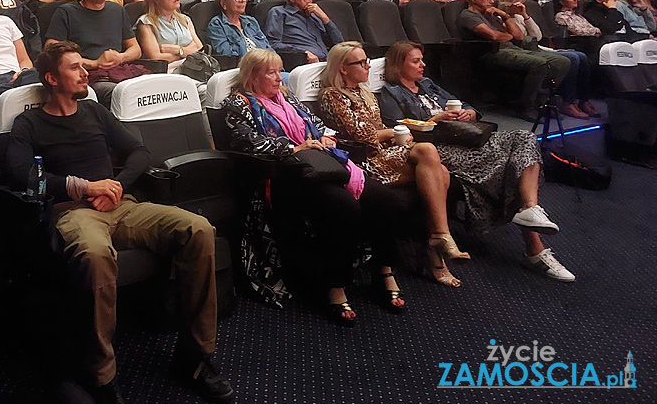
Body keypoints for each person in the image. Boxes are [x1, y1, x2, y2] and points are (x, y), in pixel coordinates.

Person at [3, 42, 232, 404]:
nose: (85, 73)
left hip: (122, 204)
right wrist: (84, 186)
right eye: (75, 68)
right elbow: (18, 175)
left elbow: (140, 151)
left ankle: (194, 357)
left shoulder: (94, 110)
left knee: (199, 229)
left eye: (83, 66)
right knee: (94, 255)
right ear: (51, 78)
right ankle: (101, 374)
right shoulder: (29, 122)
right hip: (73, 210)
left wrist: (118, 185)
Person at [222, 49, 408, 322]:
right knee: (345, 208)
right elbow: (247, 143)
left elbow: (317, 125)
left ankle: (384, 271)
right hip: (285, 174)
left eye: (280, 71)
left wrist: (327, 138)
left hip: (321, 163)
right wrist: (294, 148)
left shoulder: (287, 98)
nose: (279, 78)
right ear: (253, 76)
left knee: (384, 199)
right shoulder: (238, 104)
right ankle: (335, 286)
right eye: (271, 73)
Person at [378, 42, 575, 281]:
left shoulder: (428, 85)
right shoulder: (391, 93)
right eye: (416, 61)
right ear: (398, 66)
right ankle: (536, 248)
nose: (423, 65)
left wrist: (467, 114)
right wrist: (437, 117)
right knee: (510, 167)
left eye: (422, 59)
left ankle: (530, 208)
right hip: (437, 149)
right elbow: (396, 128)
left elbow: (469, 108)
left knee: (524, 138)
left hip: (467, 139)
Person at [317, 42, 467, 287]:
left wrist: (391, 135)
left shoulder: (365, 93)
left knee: (439, 170)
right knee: (429, 154)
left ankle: (437, 242)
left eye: (367, 60)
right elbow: (360, 136)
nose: (368, 66)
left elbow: (376, 132)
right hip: (362, 163)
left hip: (384, 154)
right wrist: (392, 133)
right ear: (343, 68)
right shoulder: (332, 95)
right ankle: (436, 245)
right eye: (361, 62)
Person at [457, 0, 571, 121]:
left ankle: (541, 103)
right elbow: (493, 36)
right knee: (539, 64)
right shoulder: (468, 15)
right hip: (491, 53)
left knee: (562, 61)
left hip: (512, 49)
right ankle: (526, 107)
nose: (492, 1)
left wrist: (504, 15)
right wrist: (507, 35)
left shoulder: (492, 15)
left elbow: (518, 36)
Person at [44, 0, 143, 104]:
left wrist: (120, 58)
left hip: (120, 72)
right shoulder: (66, 12)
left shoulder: (117, 10)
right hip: (87, 77)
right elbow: (51, 51)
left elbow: (136, 49)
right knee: (119, 94)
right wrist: (94, 63)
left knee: (153, 88)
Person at [497, 0, 596, 118]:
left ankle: (583, 100)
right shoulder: (501, 18)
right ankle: (568, 103)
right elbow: (519, 39)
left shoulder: (520, 17)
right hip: (527, 51)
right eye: (518, 3)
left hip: (538, 47)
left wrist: (526, 16)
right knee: (572, 58)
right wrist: (509, 17)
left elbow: (537, 36)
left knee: (581, 56)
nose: (521, 6)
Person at [265, 0, 344, 63]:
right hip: (303, 63)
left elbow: (339, 43)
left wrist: (324, 18)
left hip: (326, 62)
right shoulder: (279, 12)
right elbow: (273, 43)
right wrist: (303, 53)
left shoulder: (314, 15)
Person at [135, 0, 204, 69]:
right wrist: (188, 51)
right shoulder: (146, 23)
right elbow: (156, 58)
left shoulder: (185, 20)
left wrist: (178, 50)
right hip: (166, 72)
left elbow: (200, 50)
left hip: (194, 68)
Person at [207, 0, 273, 56]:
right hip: (243, 64)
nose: (242, 0)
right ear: (223, 3)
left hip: (264, 62)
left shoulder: (251, 21)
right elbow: (227, 54)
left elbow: (267, 47)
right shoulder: (217, 24)